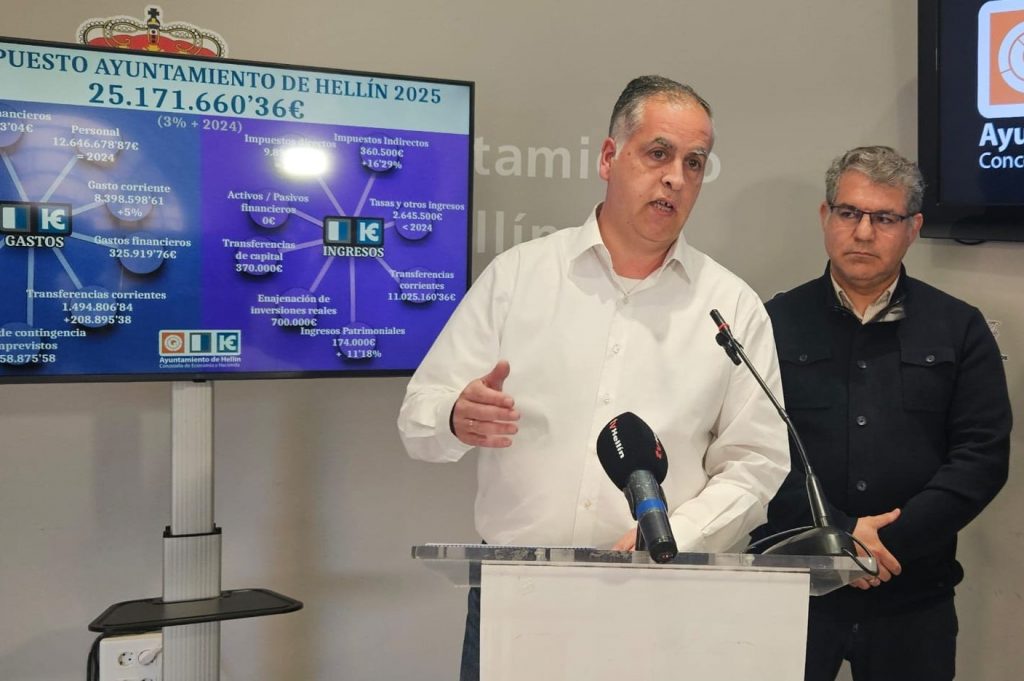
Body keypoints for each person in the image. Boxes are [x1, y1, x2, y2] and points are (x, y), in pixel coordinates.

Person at [397, 75, 789, 680]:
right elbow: (418, 418)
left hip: (663, 600)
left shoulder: (731, 306)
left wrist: (674, 535)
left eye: (694, 162)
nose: (676, 178)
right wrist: (454, 416)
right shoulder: (518, 277)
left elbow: (757, 462)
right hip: (518, 597)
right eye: (658, 153)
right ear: (609, 157)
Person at [758, 145, 1012, 681]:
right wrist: (840, 537)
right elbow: (752, 451)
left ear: (913, 227)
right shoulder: (771, 322)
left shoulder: (959, 328)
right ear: (825, 216)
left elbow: (982, 458)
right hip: (796, 591)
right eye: (849, 212)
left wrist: (886, 546)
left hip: (913, 596)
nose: (863, 232)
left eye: (884, 218)